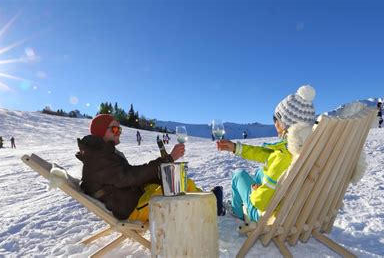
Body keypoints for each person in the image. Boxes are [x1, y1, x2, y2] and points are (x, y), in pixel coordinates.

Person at [76, 114, 223, 222]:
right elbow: (128, 177)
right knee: (179, 187)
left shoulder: (101, 153)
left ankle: (209, 201)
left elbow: (125, 176)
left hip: (132, 197)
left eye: (119, 129)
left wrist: (160, 173)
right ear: (101, 131)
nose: (119, 132)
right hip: (132, 209)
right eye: (114, 129)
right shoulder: (99, 157)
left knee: (176, 180)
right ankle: (210, 205)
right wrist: (168, 159)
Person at [216, 85, 316, 222]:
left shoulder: (283, 157)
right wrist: (235, 148)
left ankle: (237, 211)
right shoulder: (304, 149)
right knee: (260, 173)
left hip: (269, 215)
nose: (274, 124)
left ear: (286, 125)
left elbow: (261, 202)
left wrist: (255, 190)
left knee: (238, 175)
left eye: (276, 120)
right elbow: (266, 155)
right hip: (294, 208)